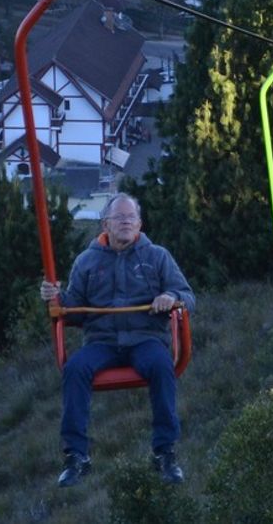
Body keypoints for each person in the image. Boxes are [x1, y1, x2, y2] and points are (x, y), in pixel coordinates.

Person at [39, 193, 195, 488]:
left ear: (140, 224)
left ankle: (165, 453)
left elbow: (187, 295)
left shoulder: (157, 256)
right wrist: (55, 301)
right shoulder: (87, 261)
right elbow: (74, 312)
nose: (126, 223)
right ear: (105, 224)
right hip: (102, 342)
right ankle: (76, 455)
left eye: (131, 218)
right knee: (75, 369)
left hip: (145, 339)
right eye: (119, 218)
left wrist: (170, 297)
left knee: (162, 366)